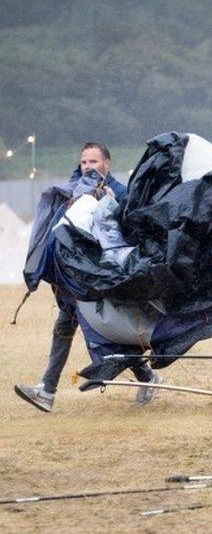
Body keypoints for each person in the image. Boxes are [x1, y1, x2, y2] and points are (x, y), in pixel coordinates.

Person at [14, 142, 164, 413]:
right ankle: (47, 390)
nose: (87, 167)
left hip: (99, 282)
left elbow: (126, 232)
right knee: (65, 328)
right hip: (73, 281)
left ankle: (148, 377)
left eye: (93, 162)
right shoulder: (73, 190)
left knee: (103, 337)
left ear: (107, 163)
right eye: (84, 162)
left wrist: (111, 204)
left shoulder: (120, 192)